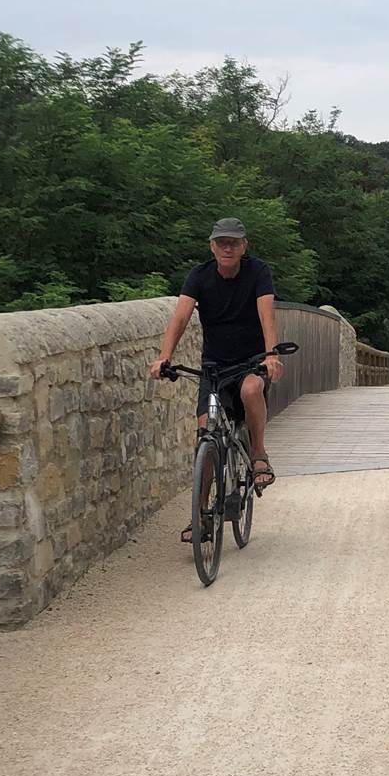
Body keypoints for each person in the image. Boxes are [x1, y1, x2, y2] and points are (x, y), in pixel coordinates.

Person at [149, 217, 284, 542]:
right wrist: (164, 356)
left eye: (233, 242)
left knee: (251, 389)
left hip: (251, 360)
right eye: (222, 242)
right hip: (214, 367)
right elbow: (181, 316)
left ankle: (258, 454)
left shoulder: (257, 271)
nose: (227, 247)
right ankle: (200, 516)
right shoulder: (199, 276)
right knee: (205, 435)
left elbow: (266, 313)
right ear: (212, 246)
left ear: (243, 246)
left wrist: (271, 354)